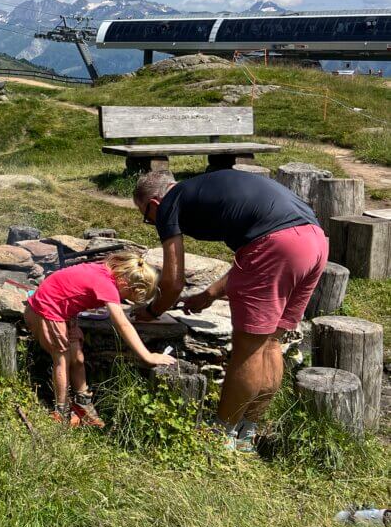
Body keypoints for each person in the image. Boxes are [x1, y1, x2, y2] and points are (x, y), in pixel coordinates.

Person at [132, 169, 328, 452]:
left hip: (277, 245)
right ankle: (247, 431)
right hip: (314, 242)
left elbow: (173, 283)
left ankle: (219, 434)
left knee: (247, 350)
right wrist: (210, 294)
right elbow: (253, 255)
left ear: (153, 205)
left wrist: (150, 312)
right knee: (271, 343)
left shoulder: (168, 204)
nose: (151, 222)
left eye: (146, 216)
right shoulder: (205, 189)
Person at [25, 251, 175, 426]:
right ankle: (62, 411)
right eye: (126, 297)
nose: (122, 300)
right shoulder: (107, 285)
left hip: (63, 310)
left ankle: (82, 404)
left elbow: (71, 290)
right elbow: (123, 324)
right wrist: (148, 356)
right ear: (127, 285)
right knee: (62, 359)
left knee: (78, 358)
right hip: (46, 309)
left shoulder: (107, 273)